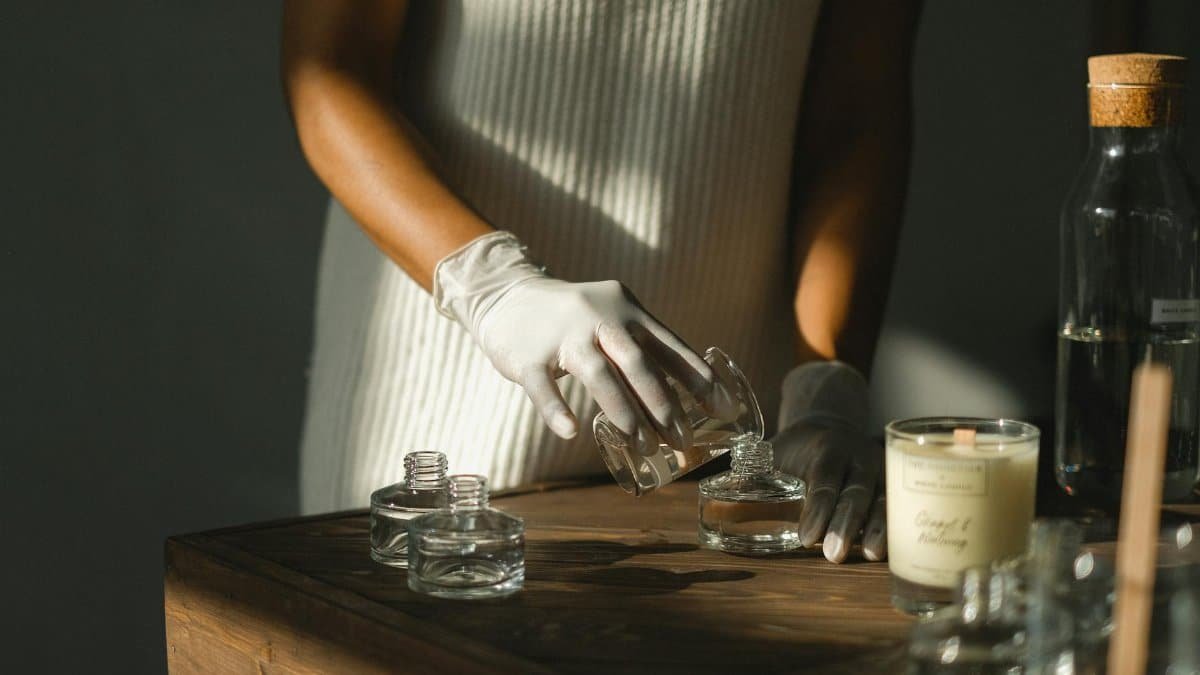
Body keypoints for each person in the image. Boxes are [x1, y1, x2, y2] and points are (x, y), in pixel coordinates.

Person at [282, 0, 918, 563]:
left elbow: (855, 116)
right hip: (441, 426)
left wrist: (823, 387)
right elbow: (331, 68)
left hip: (730, 457)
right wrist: (492, 285)